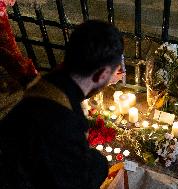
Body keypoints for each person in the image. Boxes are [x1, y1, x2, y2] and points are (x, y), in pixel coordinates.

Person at [0, 20, 124, 189]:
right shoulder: (67, 123)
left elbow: (71, 90)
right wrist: (99, 162)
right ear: (102, 74)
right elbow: (78, 182)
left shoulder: (45, 83)